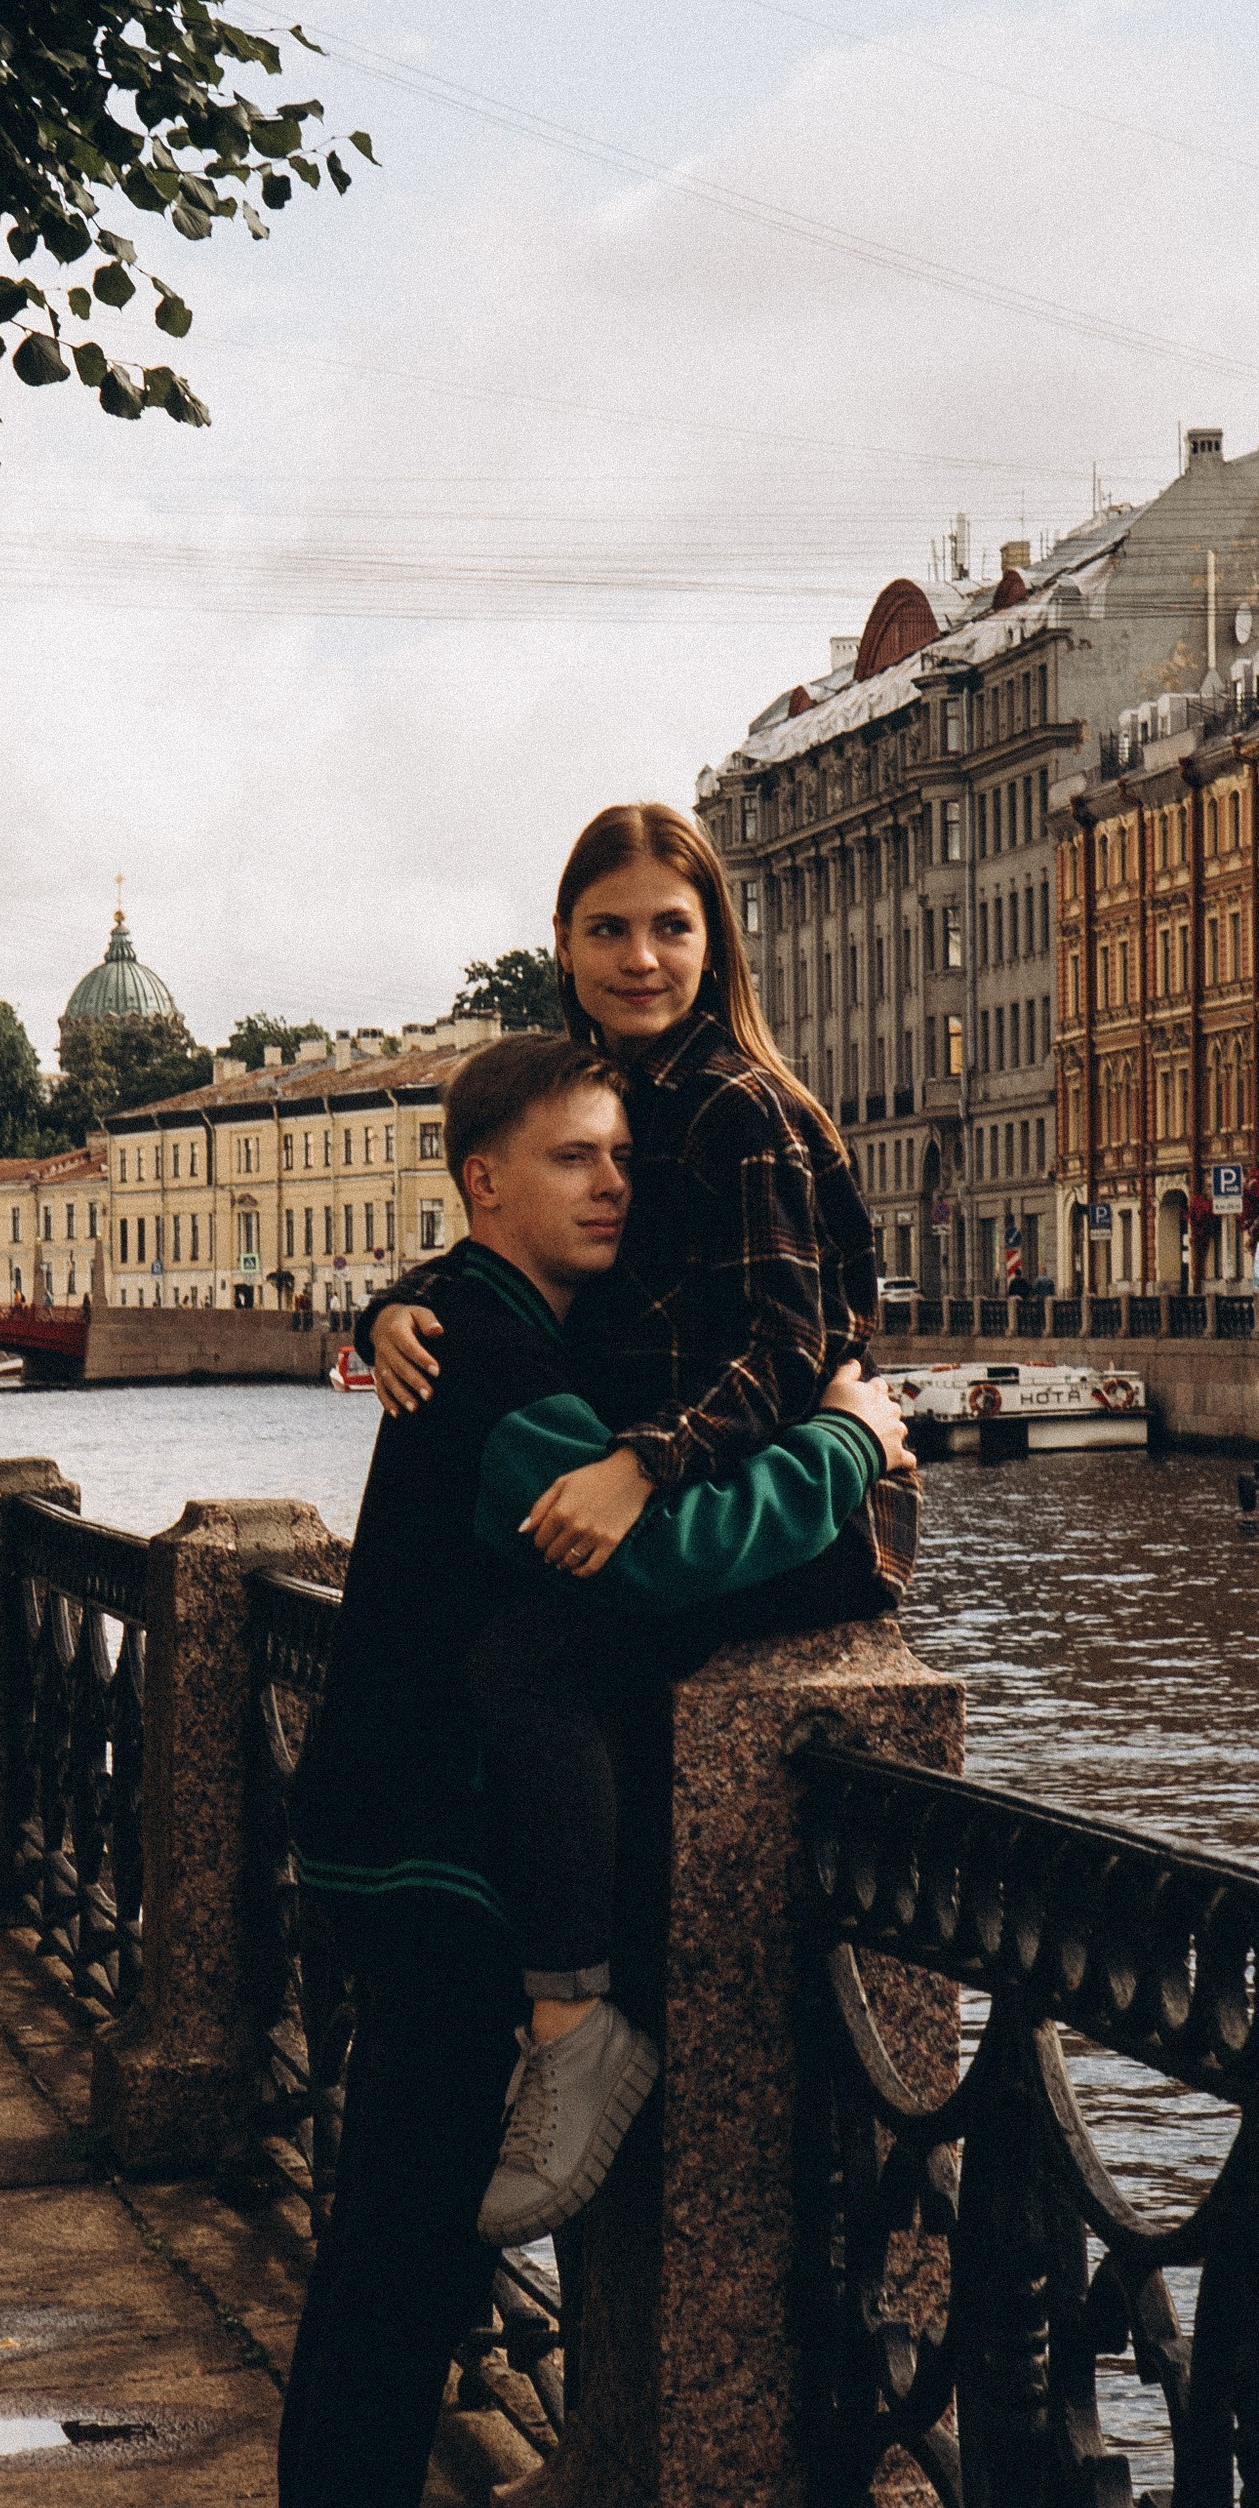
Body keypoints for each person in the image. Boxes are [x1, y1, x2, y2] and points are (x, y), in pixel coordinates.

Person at [272, 1029, 912, 2508]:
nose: (615, 1181)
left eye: (623, 1156)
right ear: (490, 1185)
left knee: (381, 2257)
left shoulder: (480, 1322)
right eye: (574, 1159)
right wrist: (851, 1446)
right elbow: (658, 1550)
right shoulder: (489, 1357)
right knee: (399, 2266)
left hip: (391, 1835)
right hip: (432, 1850)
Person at [366, 800, 914, 2247]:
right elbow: (520, 1198)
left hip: (806, 1513)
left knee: (530, 1662)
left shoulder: (734, 1102)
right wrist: (401, 1301)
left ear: (714, 938)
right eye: (607, 927)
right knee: (543, 1657)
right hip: (707, 1482)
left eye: (671, 925)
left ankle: (575, 2024)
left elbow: (794, 1347)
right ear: (561, 942)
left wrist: (645, 1470)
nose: (640, 954)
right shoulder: (619, 1091)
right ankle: (573, 2009)